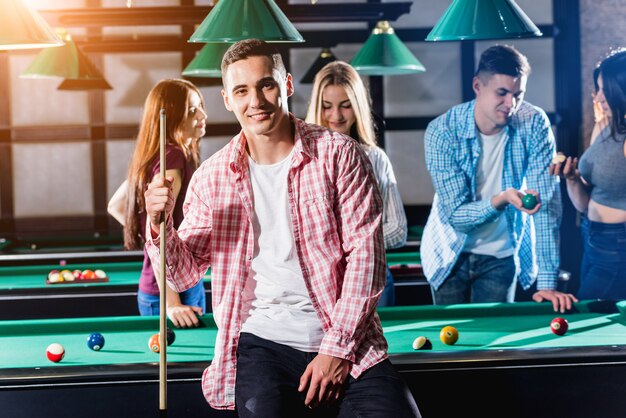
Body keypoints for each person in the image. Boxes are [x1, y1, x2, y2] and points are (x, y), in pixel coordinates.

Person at [143, 39, 420, 417]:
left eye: (266, 85)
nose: (255, 101)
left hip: (348, 342)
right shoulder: (211, 177)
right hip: (263, 343)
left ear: (287, 85)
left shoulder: (340, 155)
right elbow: (182, 273)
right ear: (227, 99)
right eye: (241, 90)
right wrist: (159, 227)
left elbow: (366, 260)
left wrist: (335, 351)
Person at [422, 44, 577, 312]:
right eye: (502, 93)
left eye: (518, 94)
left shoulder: (533, 123)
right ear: (477, 86)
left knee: (493, 351)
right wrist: (501, 199)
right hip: (449, 254)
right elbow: (457, 216)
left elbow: (546, 206)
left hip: (502, 255)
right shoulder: (442, 131)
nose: (511, 104)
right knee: (449, 350)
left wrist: (547, 283)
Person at [305, 61, 408, 307]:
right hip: (320, 284)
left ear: (358, 107)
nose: (336, 116)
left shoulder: (375, 158)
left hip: (373, 279)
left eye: (346, 106)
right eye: (327, 106)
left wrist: (349, 244)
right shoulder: (303, 158)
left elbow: (398, 230)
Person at [107, 78, 207, 328]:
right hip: (173, 292)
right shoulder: (172, 156)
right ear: (172, 116)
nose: (203, 114)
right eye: (192, 110)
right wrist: (171, 301)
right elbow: (161, 230)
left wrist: (148, 235)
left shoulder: (154, 152)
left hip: (164, 286)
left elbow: (117, 205)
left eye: (201, 106)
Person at [550, 48, 626, 299]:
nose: (598, 95)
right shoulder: (605, 125)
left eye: (605, 89)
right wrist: (571, 178)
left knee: (588, 316)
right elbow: (587, 202)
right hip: (591, 237)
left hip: (618, 246)